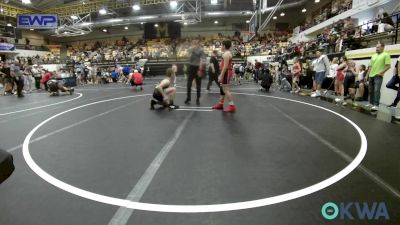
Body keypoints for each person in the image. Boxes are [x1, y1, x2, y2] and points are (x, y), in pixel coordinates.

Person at [212, 40, 236, 113]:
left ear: (224, 46)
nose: (221, 47)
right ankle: (220, 104)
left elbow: (225, 66)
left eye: (221, 45)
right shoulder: (226, 53)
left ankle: (232, 106)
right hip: (225, 72)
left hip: (225, 72)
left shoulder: (226, 54)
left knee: (225, 89)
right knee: (222, 89)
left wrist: (221, 75)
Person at [365, 43, 391, 110]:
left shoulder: (386, 55)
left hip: (378, 76)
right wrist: (366, 75)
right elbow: (370, 66)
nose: (376, 48)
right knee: (370, 91)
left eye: (378, 47)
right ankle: (371, 103)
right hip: (371, 75)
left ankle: (376, 105)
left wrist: (381, 72)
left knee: (376, 90)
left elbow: (388, 66)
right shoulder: (373, 55)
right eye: (376, 47)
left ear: (383, 47)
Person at [185, 39, 205, 105]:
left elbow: (202, 60)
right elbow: (188, 58)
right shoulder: (190, 49)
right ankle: (188, 98)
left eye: (196, 43)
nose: (195, 45)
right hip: (191, 67)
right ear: (192, 44)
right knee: (188, 84)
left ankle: (198, 99)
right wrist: (192, 51)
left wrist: (200, 70)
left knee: (198, 85)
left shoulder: (201, 50)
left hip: (197, 67)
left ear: (198, 44)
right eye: (194, 43)